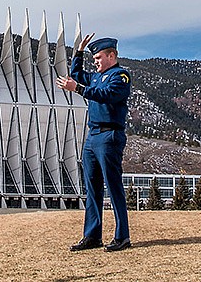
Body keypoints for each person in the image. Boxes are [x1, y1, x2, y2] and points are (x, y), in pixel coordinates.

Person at [56, 33, 132, 252]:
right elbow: (77, 75)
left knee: (113, 186)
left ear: (111, 55)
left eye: (98, 57)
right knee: (93, 188)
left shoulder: (121, 76)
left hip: (110, 136)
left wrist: (78, 89)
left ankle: (122, 236)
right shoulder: (96, 77)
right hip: (93, 136)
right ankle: (92, 235)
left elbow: (107, 95)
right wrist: (78, 52)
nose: (96, 61)